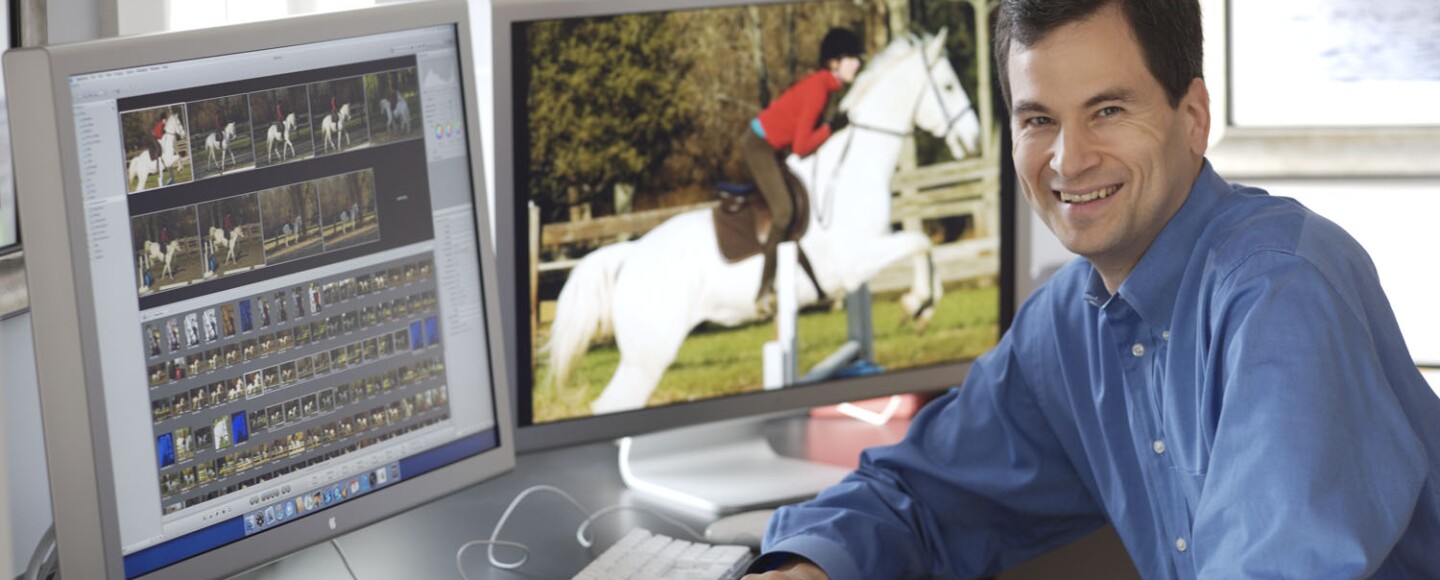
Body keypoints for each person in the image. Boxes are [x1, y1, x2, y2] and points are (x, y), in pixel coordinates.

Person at [745, 0, 1440, 578]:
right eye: (1037, 119)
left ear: (1192, 117)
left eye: (1107, 110)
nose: (1068, 161)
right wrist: (808, 567)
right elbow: (919, 492)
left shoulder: (1281, 292)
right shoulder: (1066, 327)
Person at [744, 27, 863, 314]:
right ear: (834, 63)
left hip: (773, 148)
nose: (858, 62)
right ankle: (763, 290)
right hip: (759, 146)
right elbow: (801, 146)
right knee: (784, 212)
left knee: (795, 212)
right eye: (852, 57)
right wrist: (831, 128)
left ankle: (816, 289)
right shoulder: (819, 88)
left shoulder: (826, 86)